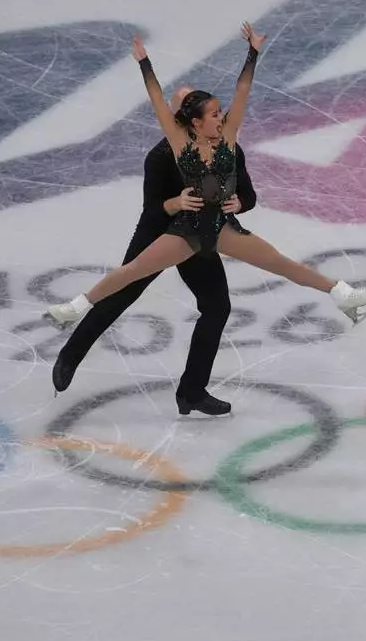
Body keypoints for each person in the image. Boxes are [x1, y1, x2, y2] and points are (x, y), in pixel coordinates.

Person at [44, 23, 366, 388]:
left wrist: (252, 52)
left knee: (279, 264)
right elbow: (156, 100)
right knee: (132, 273)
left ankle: (345, 295)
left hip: (221, 228)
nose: (221, 116)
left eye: (220, 111)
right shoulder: (173, 147)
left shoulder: (229, 138)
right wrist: (145, 64)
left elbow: (243, 91)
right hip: (179, 229)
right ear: (192, 120)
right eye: (214, 113)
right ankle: (74, 310)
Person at [48, 85, 251, 417]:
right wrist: (177, 203)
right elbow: (153, 209)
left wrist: (240, 203)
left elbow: (248, 193)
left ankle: (192, 392)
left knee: (217, 307)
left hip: (196, 236)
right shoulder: (160, 157)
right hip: (157, 231)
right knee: (120, 293)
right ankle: (71, 354)